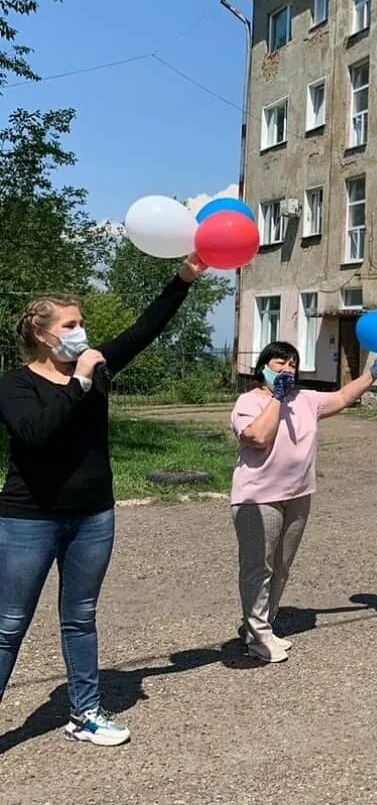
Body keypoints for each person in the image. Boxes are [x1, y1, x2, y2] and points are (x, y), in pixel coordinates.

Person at [0, 254, 207, 746]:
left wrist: (184, 278)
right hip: (29, 519)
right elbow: (35, 436)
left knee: (80, 617)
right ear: (45, 335)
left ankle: (84, 713)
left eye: (82, 322)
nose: (81, 331)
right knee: (9, 625)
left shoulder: (94, 366)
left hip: (93, 515)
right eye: (71, 324)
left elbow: (144, 329)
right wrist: (81, 383)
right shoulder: (16, 385)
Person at [230, 341, 377, 663]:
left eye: (293, 364)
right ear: (263, 366)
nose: (287, 369)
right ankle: (258, 636)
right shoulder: (248, 401)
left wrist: (373, 373)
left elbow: (343, 397)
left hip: (298, 495)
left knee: (281, 567)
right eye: (280, 363)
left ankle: (262, 626)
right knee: (257, 568)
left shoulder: (306, 400)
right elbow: (258, 438)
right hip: (258, 498)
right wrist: (277, 397)